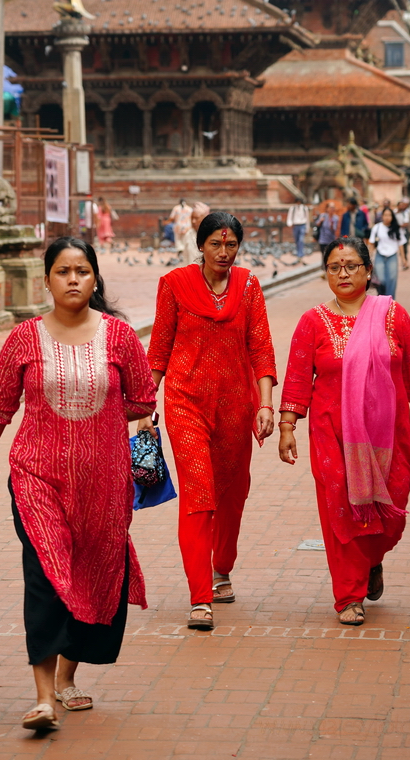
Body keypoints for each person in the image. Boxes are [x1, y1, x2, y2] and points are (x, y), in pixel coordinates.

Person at [0, 237, 156, 731]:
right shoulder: (24, 338)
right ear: (46, 279)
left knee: (93, 570)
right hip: (36, 476)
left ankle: (68, 675)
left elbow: (143, 399)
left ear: (95, 279)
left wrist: (104, 419)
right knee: (45, 576)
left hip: (105, 484)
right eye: (64, 271)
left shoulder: (119, 337)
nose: (73, 279)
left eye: (83, 271)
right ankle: (44, 697)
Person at [278, 237, 410, 626]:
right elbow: (295, 378)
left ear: (369, 271)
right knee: (341, 504)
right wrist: (287, 426)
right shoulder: (313, 322)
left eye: (351, 266)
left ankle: (373, 559)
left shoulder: (392, 315)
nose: (343, 273)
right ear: (325, 273)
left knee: (390, 509)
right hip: (331, 433)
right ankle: (348, 596)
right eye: (334, 267)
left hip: (387, 434)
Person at [141, 212, 277, 631]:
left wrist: (266, 404)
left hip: (238, 406)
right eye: (215, 244)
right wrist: (146, 405)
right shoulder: (174, 285)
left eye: (231, 244)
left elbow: (262, 348)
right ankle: (200, 597)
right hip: (186, 403)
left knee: (232, 494)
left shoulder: (249, 285)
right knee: (199, 495)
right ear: (200, 245)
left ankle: (222, 570)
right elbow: (159, 347)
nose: (223, 252)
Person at [369, 207, 407, 297]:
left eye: (389, 215)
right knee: (381, 279)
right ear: (382, 216)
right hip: (380, 255)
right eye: (385, 215)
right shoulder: (377, 227)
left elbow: (401, 244)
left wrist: (403, 259)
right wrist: (369, 258)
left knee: (392, 279)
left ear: (392, 217)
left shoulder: (397, 228)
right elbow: (371, 243)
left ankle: (390, 300)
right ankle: (382, 298)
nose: (387, 217)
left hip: (392, 256)